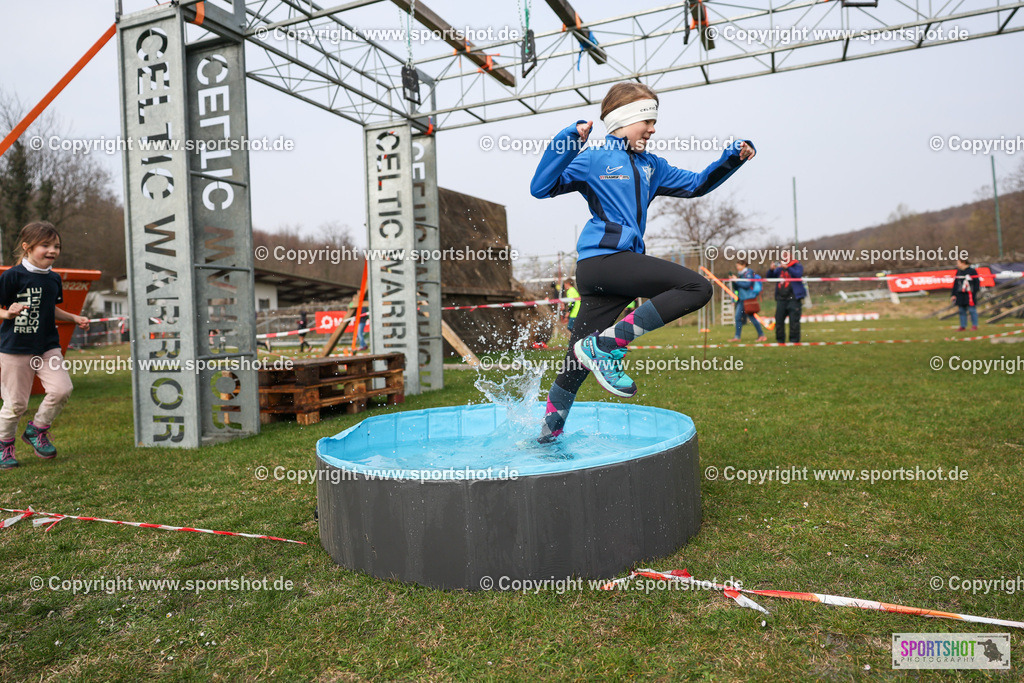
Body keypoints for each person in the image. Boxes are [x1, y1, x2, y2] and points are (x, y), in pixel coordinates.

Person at [531, 81, 756, 443]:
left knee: (574, 364)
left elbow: (697, 184)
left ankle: (547, 436)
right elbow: (541, 187)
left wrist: (733, 158)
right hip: (604, 261)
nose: (652, 129)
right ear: (623, 119)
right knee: (696, 287)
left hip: (615, 270)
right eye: (647, 121)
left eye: (654, 122)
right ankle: (605, 346)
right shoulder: (594, 158)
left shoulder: (653, 166)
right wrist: (569, 140)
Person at [0, 222, 89, 469]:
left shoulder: (53, 279)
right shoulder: (12, 276)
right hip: (15, 348)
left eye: (56, 246)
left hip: (48, 346)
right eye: (45, 245)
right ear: (27, 247)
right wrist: (7, 314)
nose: (52, 250)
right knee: (16, 404)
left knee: (62, 389)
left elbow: (49, 308)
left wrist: (73, 318)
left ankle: (37, 429)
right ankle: (4, 446)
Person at [766, 251, 806, 344]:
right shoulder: (779, 269)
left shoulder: (797, 266)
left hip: (794, 298)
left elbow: (798, 274)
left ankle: (794, 340)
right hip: (781, 298)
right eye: (783, 256)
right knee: (779, 320)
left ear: (791, 257)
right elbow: (770, 278)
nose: (785, 258)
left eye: (787, 256)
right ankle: (780, 340)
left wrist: (787, 268)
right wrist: (771, 270)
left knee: (794, 321)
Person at [728, 260, 767, 342]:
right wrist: (734, 281)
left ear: (744, 265)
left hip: (748, 299)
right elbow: (737, 288)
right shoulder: (740, 274)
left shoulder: (749, 273)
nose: (737, 267)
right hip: (741, 299)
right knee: (738, 317)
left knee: (751, 317)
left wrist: (737, 281)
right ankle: (737, 337)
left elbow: (747, 285)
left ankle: (762, 335)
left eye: (738, 265)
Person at [951, 257, 980, 331]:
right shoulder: (958, 272)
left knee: (972, 310)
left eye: (958, 263)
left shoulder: (972, 271)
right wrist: (953, 294)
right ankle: (963, 326)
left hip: (970, 295)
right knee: (961, 311)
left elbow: (977, 283)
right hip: (960, 295)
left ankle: (974, 325)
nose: (957, 265)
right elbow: (955, 284)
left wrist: (974, 292)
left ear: (963, 262)